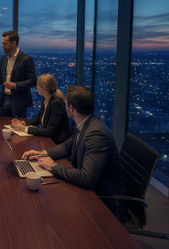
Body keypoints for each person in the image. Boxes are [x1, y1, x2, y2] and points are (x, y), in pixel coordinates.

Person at [21, 86, 125, 219]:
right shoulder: (84, 123)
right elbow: (67, 146)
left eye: (65, 104)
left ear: (71, 108)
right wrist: (43, 153)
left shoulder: (96, 135)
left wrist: (53, 166)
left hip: (103, 200)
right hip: (90, 190)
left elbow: (86, 178)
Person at [0, 30, 37, 117]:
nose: (2, 46)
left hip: (19, 102)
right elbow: (1, 78)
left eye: (5, 43)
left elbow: (33, 80)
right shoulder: (4, 59)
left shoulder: (26, 59)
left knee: (17, 128)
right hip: (4, 99)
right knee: (3, 127)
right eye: (2, 43)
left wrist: (15, 85)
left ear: (13, 43)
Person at [11, 74, 71, 143]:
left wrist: (25, 129)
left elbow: (49, 131)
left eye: (37, 85)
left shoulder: (56, 104)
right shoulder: (46, 99)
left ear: (44, 88)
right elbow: (38, 118)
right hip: (48, 139)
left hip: (57, 142)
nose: (37, 87)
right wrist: (23, 123)